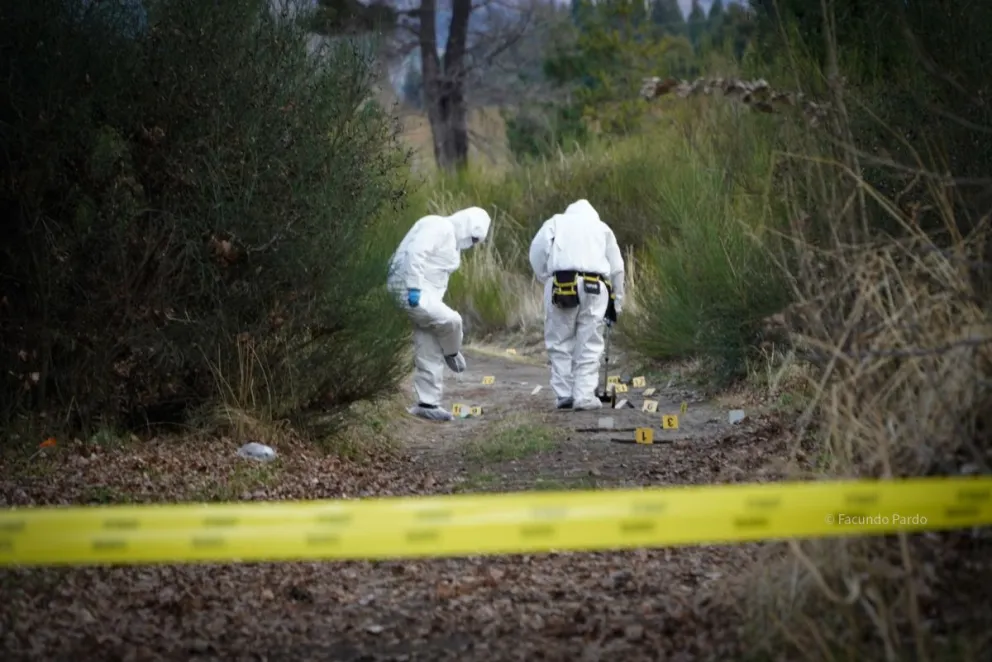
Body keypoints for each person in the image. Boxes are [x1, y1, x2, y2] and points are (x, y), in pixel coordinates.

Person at [387, 207, 492, 421]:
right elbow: (416, 252)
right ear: (467, 225)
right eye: (472, 237)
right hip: (410, 290)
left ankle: (428, 402)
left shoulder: (451, 241)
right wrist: (414, 286)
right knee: (452, 321)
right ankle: (451, 351)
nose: (471, 243)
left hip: (422, 293)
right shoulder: (439, 226)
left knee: (430, 342)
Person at [528, 199, 625, 411]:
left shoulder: (556, 222)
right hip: (596, 286)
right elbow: (617, 267)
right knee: (590, 342)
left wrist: (544, 276)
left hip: (562, 283)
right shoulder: (602, 228)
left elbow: (537, 249)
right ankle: (584, 395)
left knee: (560, 341)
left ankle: (564, 394)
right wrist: (618, 300)